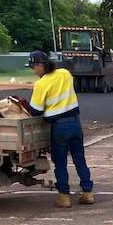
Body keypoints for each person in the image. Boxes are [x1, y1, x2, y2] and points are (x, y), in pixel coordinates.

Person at [25, 50, 94, 208]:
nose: (33, 71)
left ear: (40, 66)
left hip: (59, 127)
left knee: (60, 163)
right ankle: (87, 193)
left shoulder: (41, 84)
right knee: (79, 159)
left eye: (33, 67)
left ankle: (64, 197)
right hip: (75, 124)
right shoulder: (65, 73)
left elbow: (35, 110)